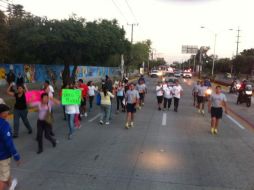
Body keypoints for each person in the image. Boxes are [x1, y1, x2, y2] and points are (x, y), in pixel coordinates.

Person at [0, 104, 21, 190]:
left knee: (4, 172)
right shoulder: (4, 125)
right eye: (7, 112)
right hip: (3, 156)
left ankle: (11, 184)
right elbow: (9, 143)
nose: (8, 113)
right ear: (2, 113)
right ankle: (8, 183)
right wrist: (16, 156)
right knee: (3, 178)